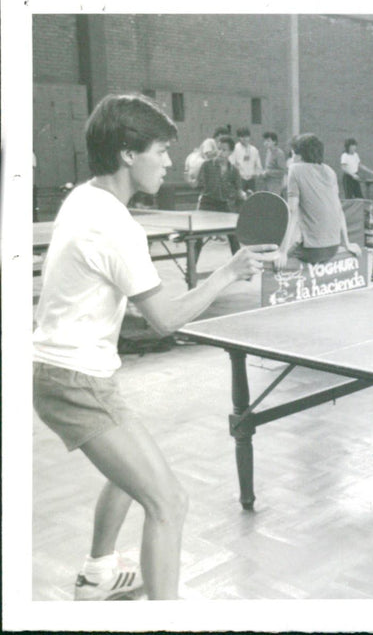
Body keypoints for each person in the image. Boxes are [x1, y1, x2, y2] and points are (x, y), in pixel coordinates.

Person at [32, 93, 275, 601]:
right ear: (127, 153)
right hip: (75, 379)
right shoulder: (115, 225)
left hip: (66, 371)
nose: (169, 162)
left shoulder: (83, 197)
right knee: (170, 501)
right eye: (161, 151)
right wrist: (228, 272)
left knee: (130, 473)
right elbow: (164, 321)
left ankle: (99, 573)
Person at [274, 133, 361, 269]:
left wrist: (283, 251)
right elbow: (339, 210)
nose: (292, 158)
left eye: (293, 154)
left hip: (312, 252)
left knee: (273, 254)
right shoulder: (330, 171)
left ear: (300, 155)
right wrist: (347, 243)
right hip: (333, 248)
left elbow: (293, 211)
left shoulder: (295, 170)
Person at [196, 135, 245, 255]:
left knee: (233, 237)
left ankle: (239, 265)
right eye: (218, 149)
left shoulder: (234, 170)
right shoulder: (207, 165)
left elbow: (238, 189)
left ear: (230, 152)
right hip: (207, 203)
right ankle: (190, 268)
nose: (220, 152)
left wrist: (240, 195)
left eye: (224, 150)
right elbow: (199, 184)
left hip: (225, 205)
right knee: (197, 236)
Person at [231, 127, 263, 193]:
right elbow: (232, 164)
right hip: (240, 179)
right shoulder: (235, 149)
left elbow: (258, 165)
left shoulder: (254, 150)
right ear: (239, 138)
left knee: (252, 198)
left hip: (251, 180)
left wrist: (256, 174)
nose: (245, 139)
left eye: (246, 137)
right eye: (242, 137)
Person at [261, 131, 287, 196]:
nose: (266, 143)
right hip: (267, 182)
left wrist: (268, 172)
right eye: (265, 141)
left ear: (274, 142)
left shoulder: (279, 153)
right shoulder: (268, 151)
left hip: (276, 184)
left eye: (268, 141)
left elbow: (282, 171)